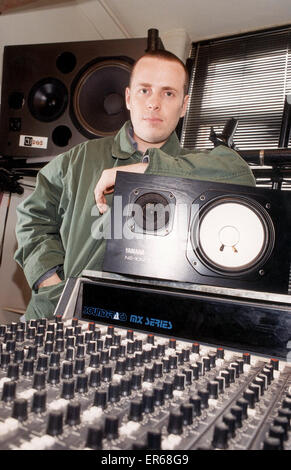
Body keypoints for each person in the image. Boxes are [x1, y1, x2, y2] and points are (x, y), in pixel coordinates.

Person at [14, 50, 256, 320]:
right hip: (61, 319)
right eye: (144, 91)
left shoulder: (198, 165)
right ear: (128, 98)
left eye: (168, 93)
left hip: (149, 327)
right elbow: (32, 219)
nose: (154, 103)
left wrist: (150, 170)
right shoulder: (79, 159)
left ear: (184, 105)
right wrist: (51, 281)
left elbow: (241, 176)